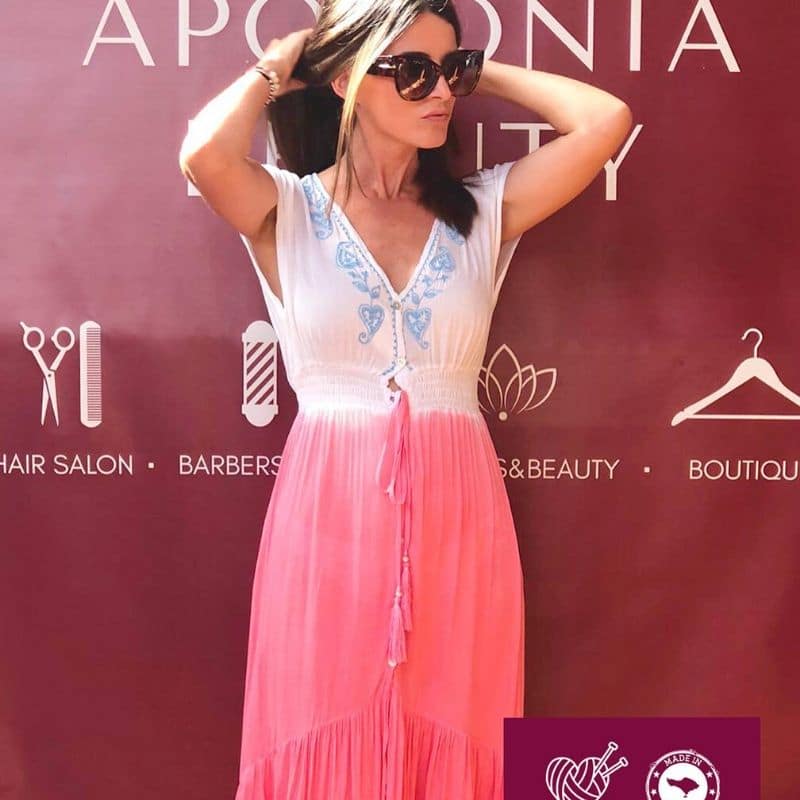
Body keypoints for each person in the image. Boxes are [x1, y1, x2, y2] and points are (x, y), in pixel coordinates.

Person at [178, 1, 632, 797]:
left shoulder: (482, 212)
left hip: (461, 518)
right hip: (328, 517)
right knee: (321, 722)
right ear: (349, 80)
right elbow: (204, 155)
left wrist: (474, 70)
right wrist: (282, 65)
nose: (441, 92)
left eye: (449, 71)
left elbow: (605, 122)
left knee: (456, 722)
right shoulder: (285, 210)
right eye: (413, 72)